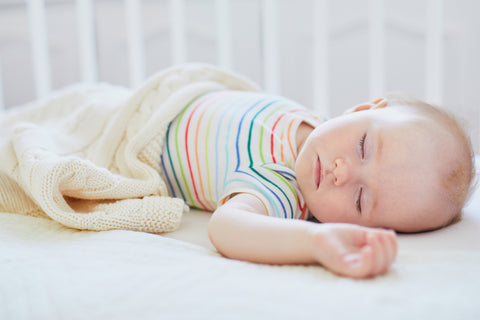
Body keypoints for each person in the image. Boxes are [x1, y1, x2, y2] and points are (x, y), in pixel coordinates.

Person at [160, 90, 475, 279]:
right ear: (363, 110)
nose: (343, 173)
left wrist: (314, 241)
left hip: (140, 135)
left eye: (360, 200)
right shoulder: (315, 124)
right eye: (363, 146)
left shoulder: (283, 190)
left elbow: (227, 227)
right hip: (168, 98)